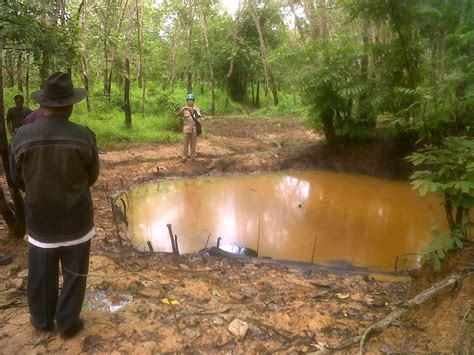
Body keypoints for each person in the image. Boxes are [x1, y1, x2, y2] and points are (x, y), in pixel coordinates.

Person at [10, 72, 99, 338]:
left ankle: (41, 320)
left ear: (43, 103)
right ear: (70, 105)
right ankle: (68, 322)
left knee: (41, 272)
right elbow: (92, 176)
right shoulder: (84, 136)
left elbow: (17, 178)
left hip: (40, 220)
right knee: (74, 273)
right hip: (77, 219)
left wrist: (38, 191)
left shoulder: (23, 135)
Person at [178, 93, 201, 162]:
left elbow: (199, 116)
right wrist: (184, 108)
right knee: (185, 144)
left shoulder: (196, 109)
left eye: (191, 100)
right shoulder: (184, 109)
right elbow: (178, 114)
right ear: (187, 101)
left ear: (193, 101)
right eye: (189, 100)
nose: (190, 101)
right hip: (186, 129)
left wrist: (194, 110)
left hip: (194, 129)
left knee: (193, 144)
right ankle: (184, 157)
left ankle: (193, 157)